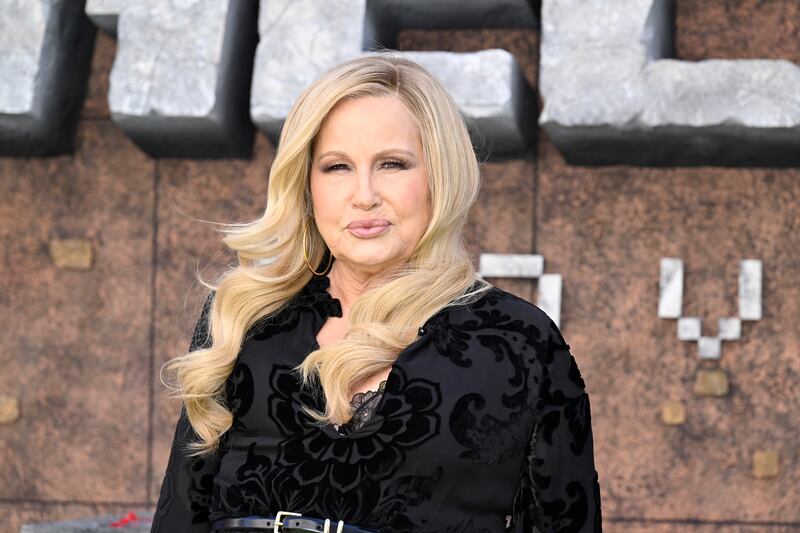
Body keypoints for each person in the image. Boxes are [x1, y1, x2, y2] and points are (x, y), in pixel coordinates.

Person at [152, 53, 602, 533]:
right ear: (306, 185)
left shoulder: (519, 341)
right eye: (337, 166)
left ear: (440, 176)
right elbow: (180, 515)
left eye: (392, 164)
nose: (364, 195)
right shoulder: (244, 317)